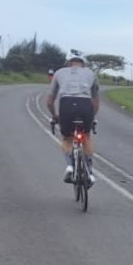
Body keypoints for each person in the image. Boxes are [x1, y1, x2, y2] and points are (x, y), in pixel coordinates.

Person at [46, 53, 100, 184]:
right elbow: (96, 101)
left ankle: (70, 166)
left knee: (68, 138)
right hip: (85, 105)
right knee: (86, 136)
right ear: (84, 64)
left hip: (66, 104)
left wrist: (54, 116)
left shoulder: (59, 73)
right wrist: (93, 117)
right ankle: (89, 171)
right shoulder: (91, 74)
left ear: (68, 63)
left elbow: (50, 100)